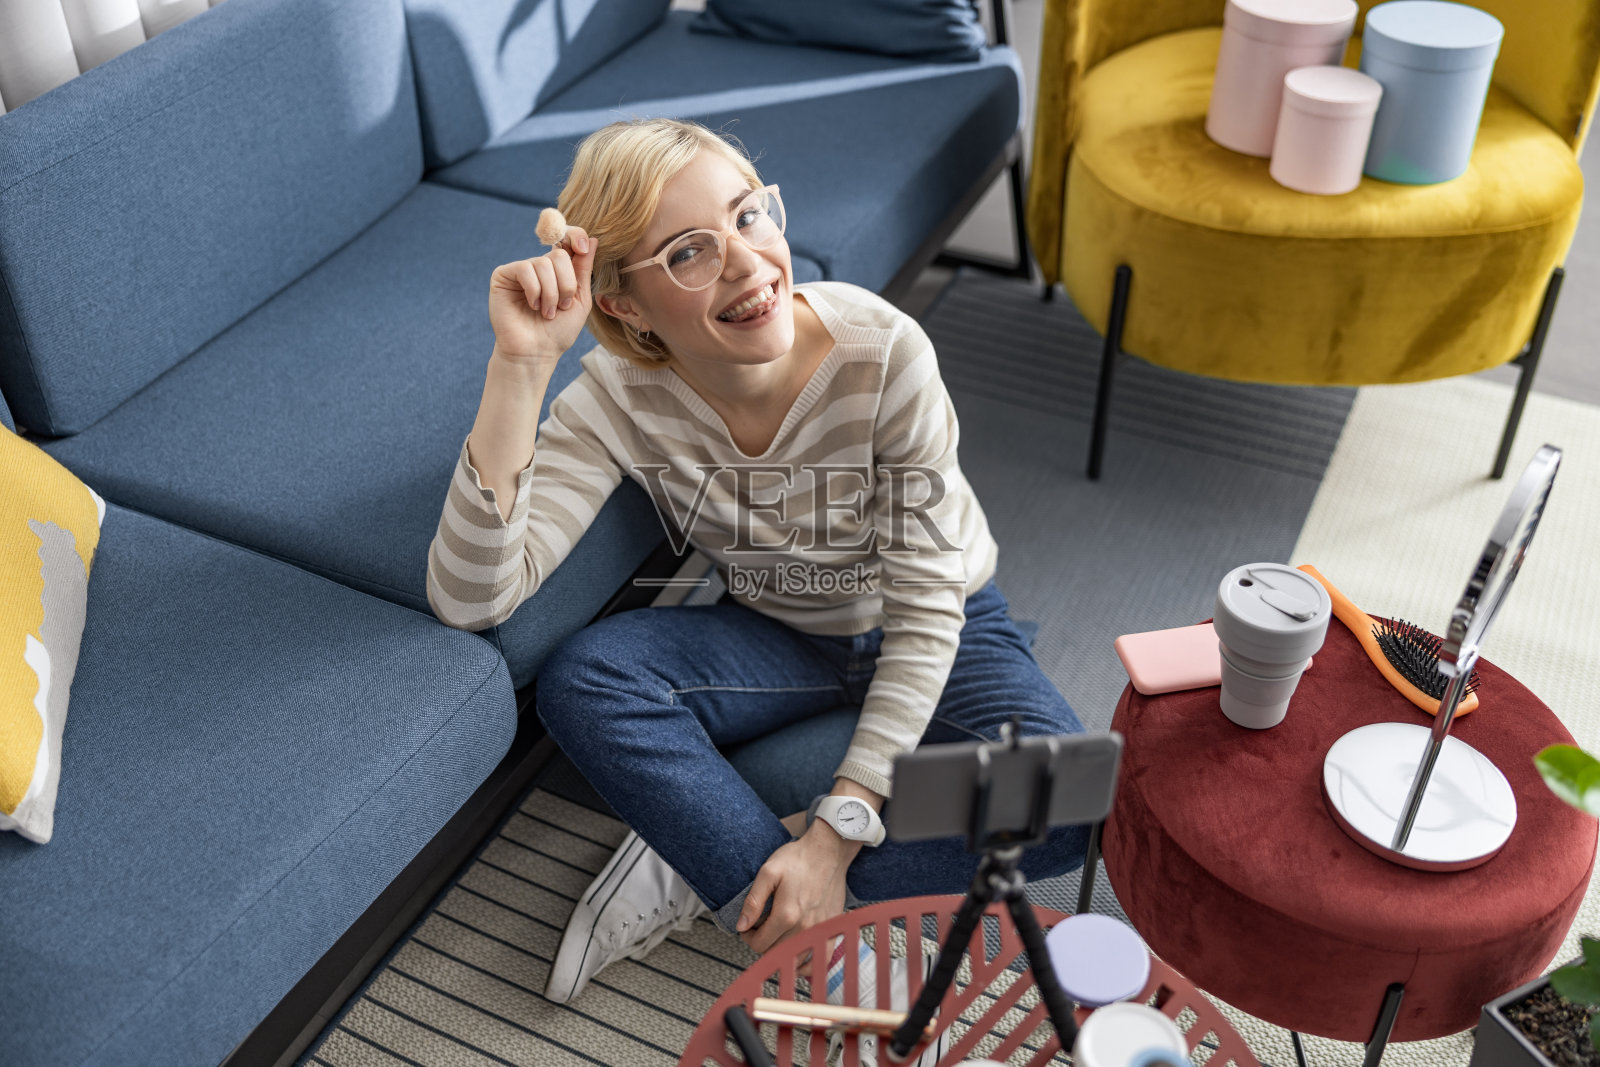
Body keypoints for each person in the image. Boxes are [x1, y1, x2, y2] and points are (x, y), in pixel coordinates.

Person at [426, 118, 1088, 1010]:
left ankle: (724, 862)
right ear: (622, 301)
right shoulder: (614, 403)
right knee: (586, 678)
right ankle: (766, 882)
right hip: (784, 633)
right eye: (690, 252)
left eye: (748, 216)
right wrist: (521, 364)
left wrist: (833, 839)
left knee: (1073, 797)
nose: (747, 263)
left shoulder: (885, 352)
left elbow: (930, 612)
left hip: (944, 618)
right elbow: (472, 597)